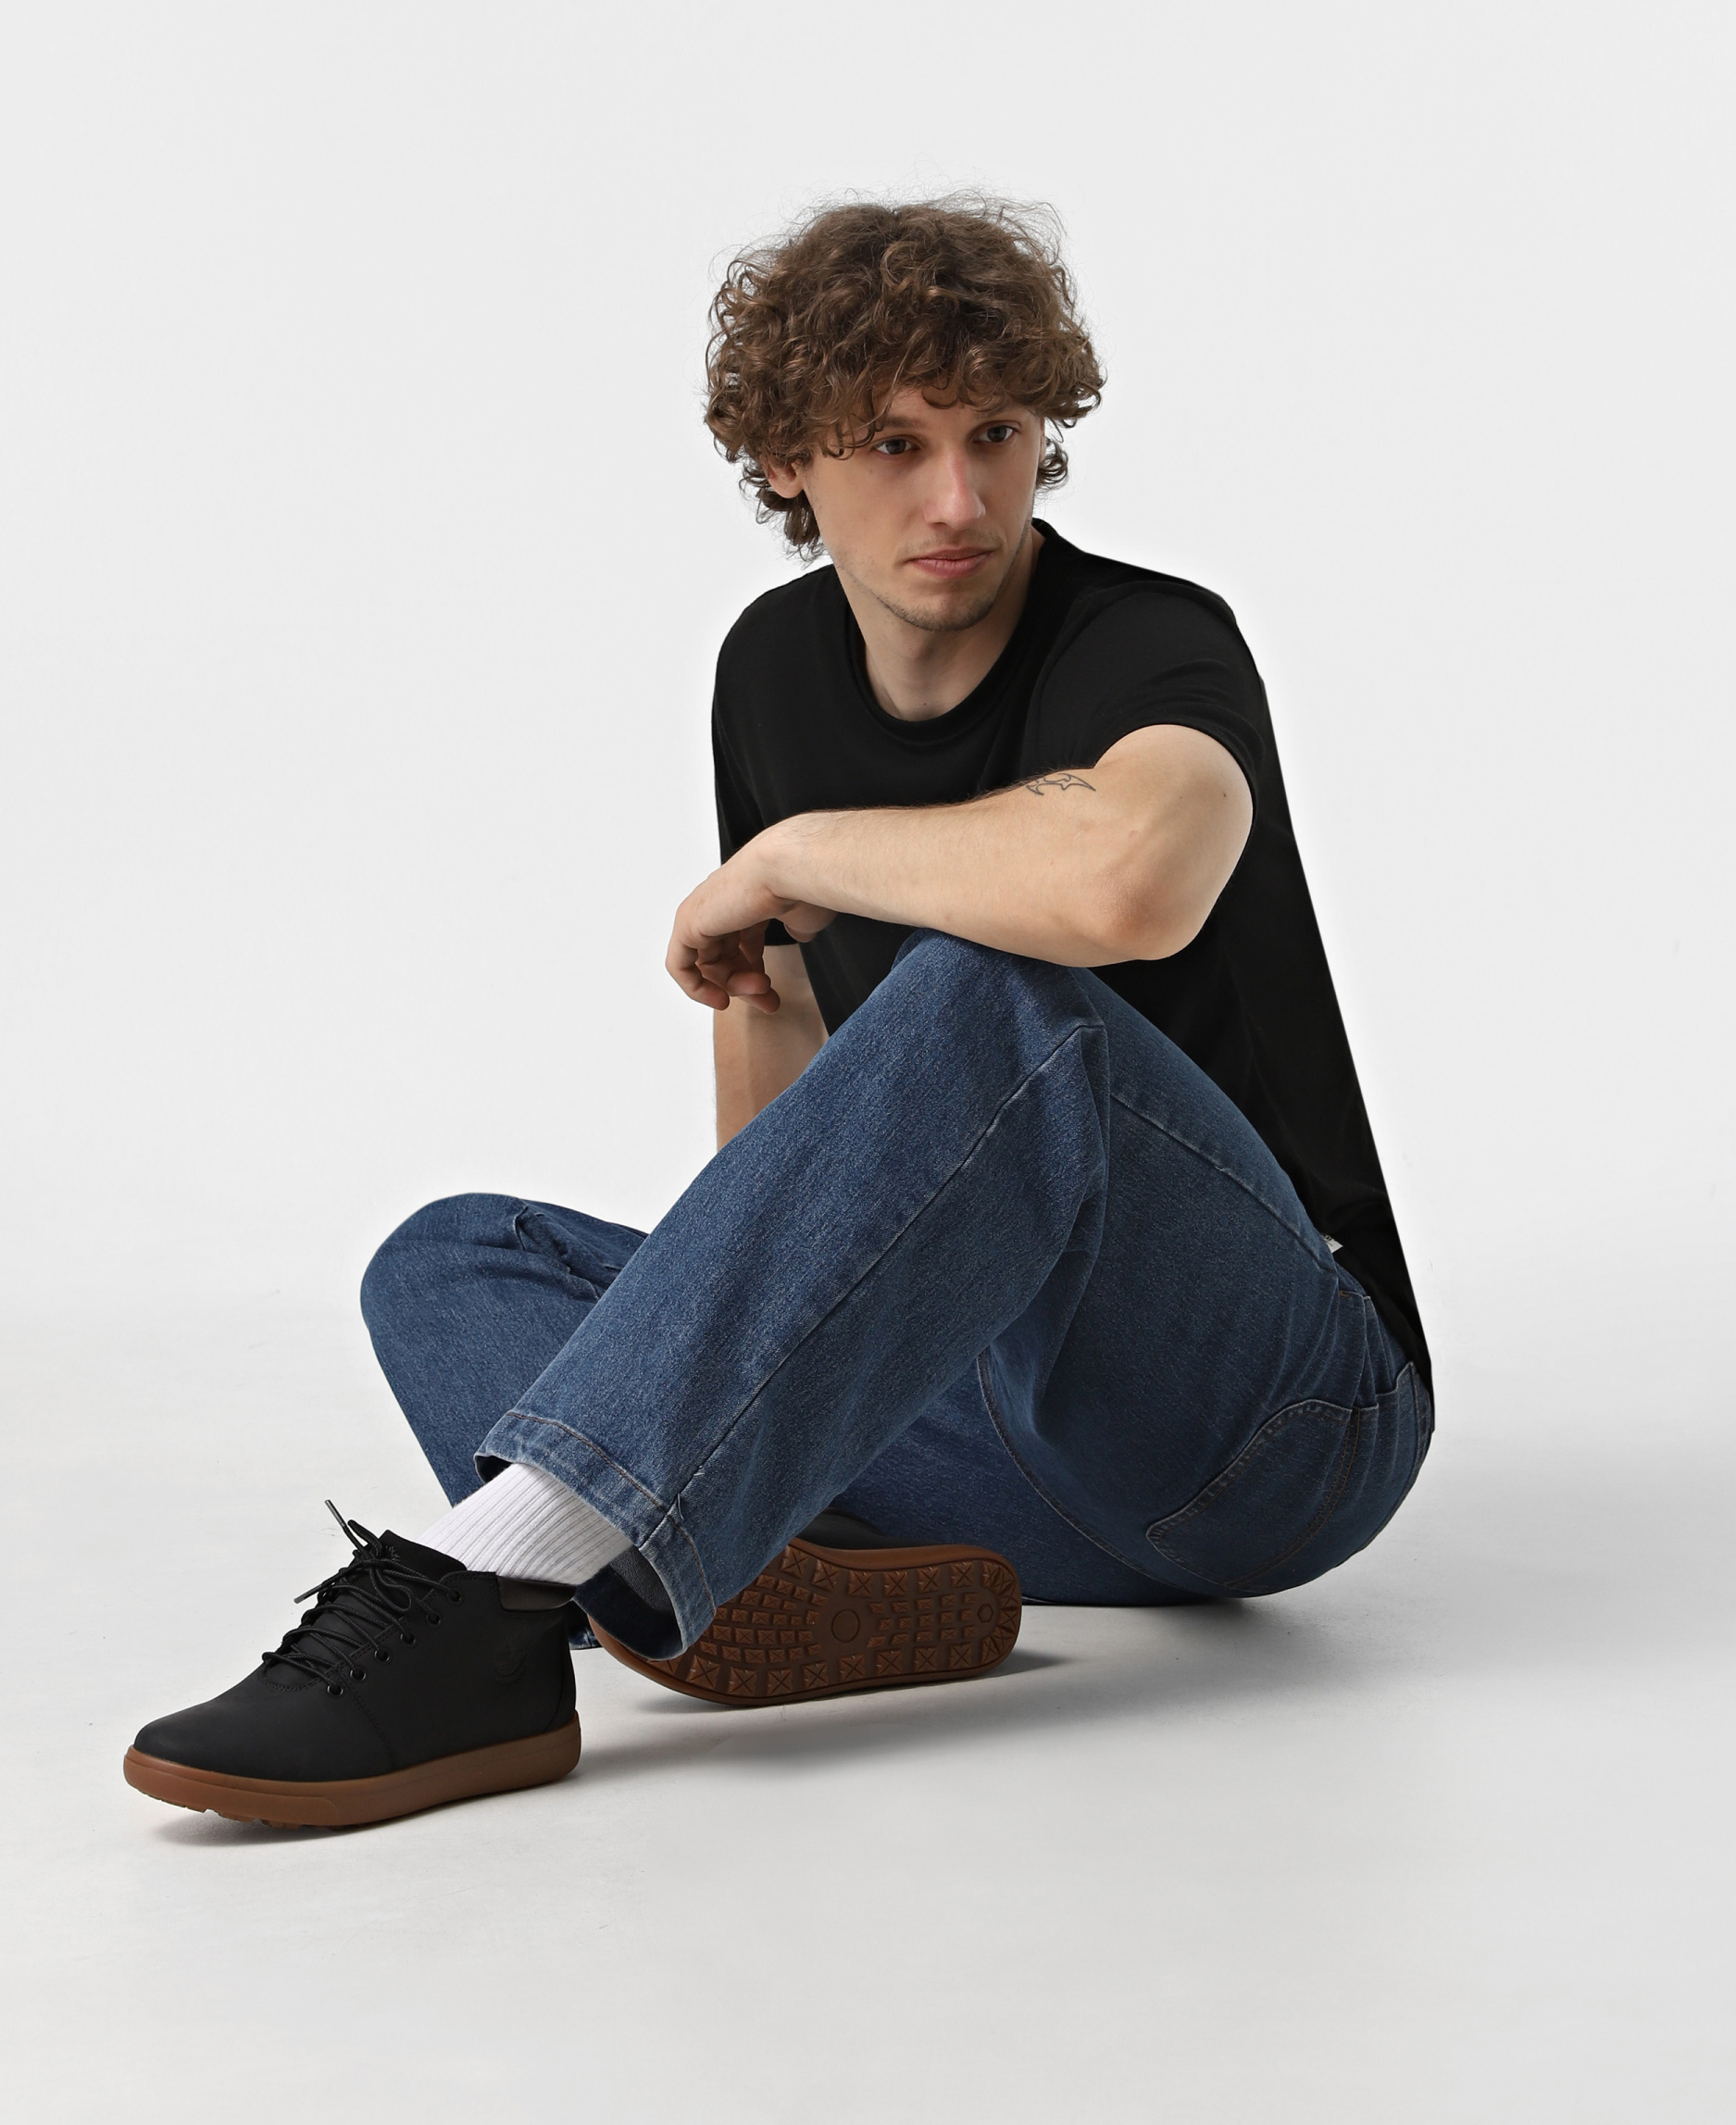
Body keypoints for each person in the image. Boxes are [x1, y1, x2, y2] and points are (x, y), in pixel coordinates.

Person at [124, 198, 1431, 1829]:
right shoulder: (771, 668)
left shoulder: (1150, 643)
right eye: (892, 443)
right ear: (785, 461)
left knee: (994, 988)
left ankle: (489, 1608)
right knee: (451, 1258)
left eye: (996, 435)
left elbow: (1128, 887)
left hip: (1267, 1422)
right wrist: (735, 1391)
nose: (959, 498)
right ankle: (770, 1569)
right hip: (981, 1451)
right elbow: (793, 1142)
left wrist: (797, 850)